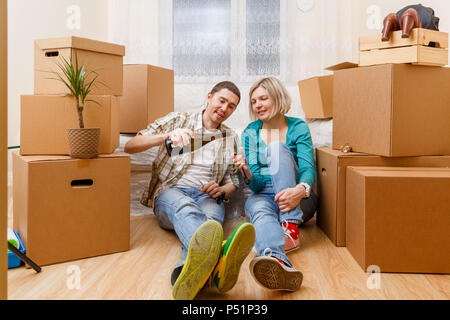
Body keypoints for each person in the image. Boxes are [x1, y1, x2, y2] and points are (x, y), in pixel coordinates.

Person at [125, 81, 255, 300]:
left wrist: (221, 189)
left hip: (206, 197)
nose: (224, 109)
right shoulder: (178, 120)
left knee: (211, 222)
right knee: (186, 208)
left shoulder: (230, 136)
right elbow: (131, 145)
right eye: (221, 101)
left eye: (231, 106)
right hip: (171, 192)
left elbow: (233, 181)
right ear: (209, 97)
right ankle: (219, 258)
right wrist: (166, 136)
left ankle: (184, 270)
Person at [233, 77, 318, 292]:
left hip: (298, 197)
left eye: (263, 98)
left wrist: (300, 191)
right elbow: (257, 186)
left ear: (278, 98)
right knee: (260, 212)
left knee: (276, 149)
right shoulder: (251, 131)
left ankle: (290, 226)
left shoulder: (298, 126)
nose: (257, 105)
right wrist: (246, 172)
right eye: (253, 101)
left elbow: (308, 169)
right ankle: (278, 261)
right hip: (263, 194)